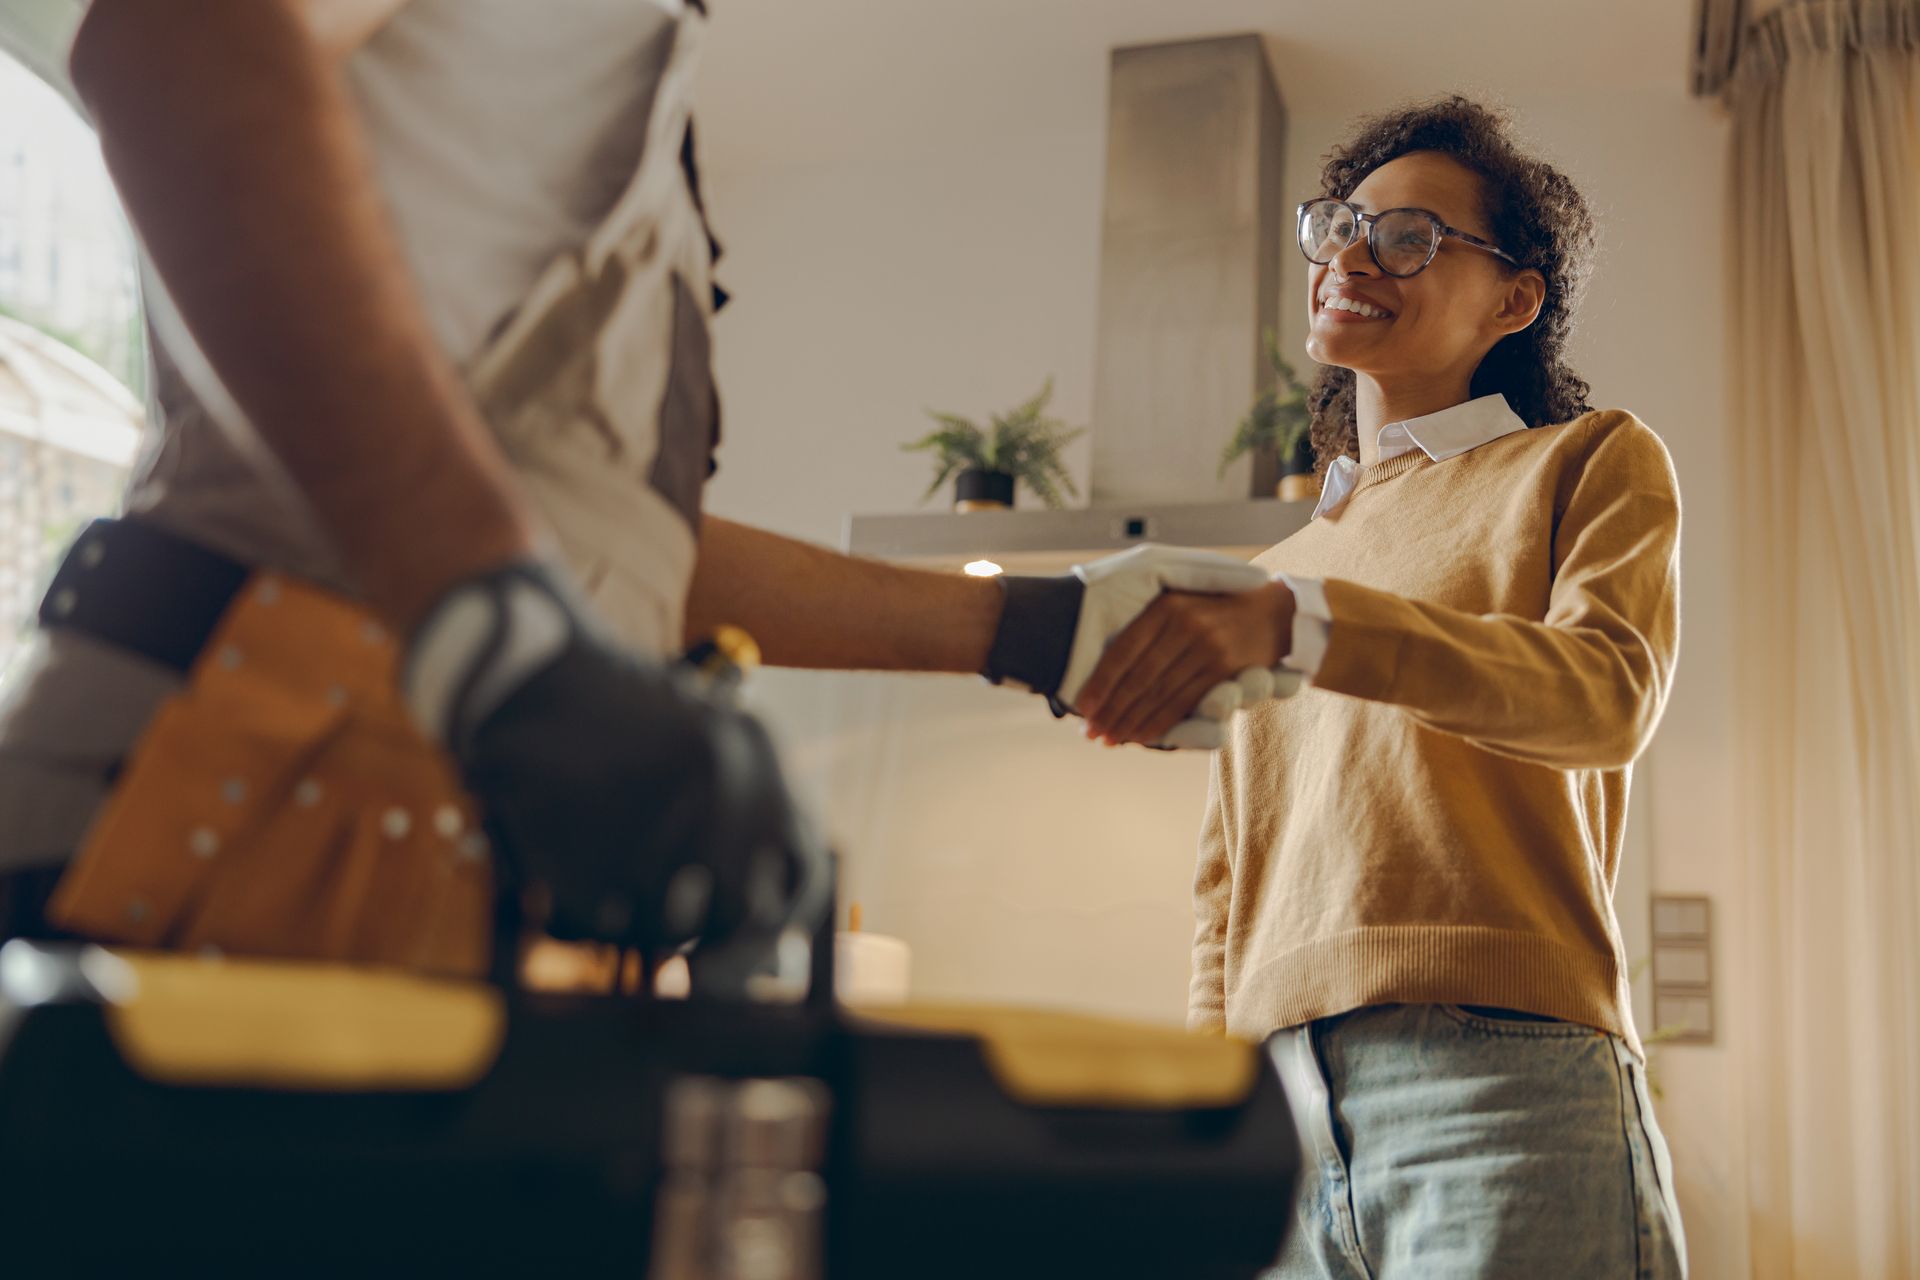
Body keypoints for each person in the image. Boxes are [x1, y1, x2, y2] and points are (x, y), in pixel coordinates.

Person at [0, 0, 1284, 973]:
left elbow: (596, 538)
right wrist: (500, 634)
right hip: (216, 799)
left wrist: (1032, 629)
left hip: (401, 836)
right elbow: (173, 34)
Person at [1076, 97, 1688, 1276]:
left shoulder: (1587, 460)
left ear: (1516, 299)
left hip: (1502, 1082)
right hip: (1279, 1107)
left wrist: (1310, 625)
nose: (1352, 257)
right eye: (1341, 226)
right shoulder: (1280, 572)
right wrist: (1215, 1102)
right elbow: (1229, 875)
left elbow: (1607, 695)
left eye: (1408, 236)